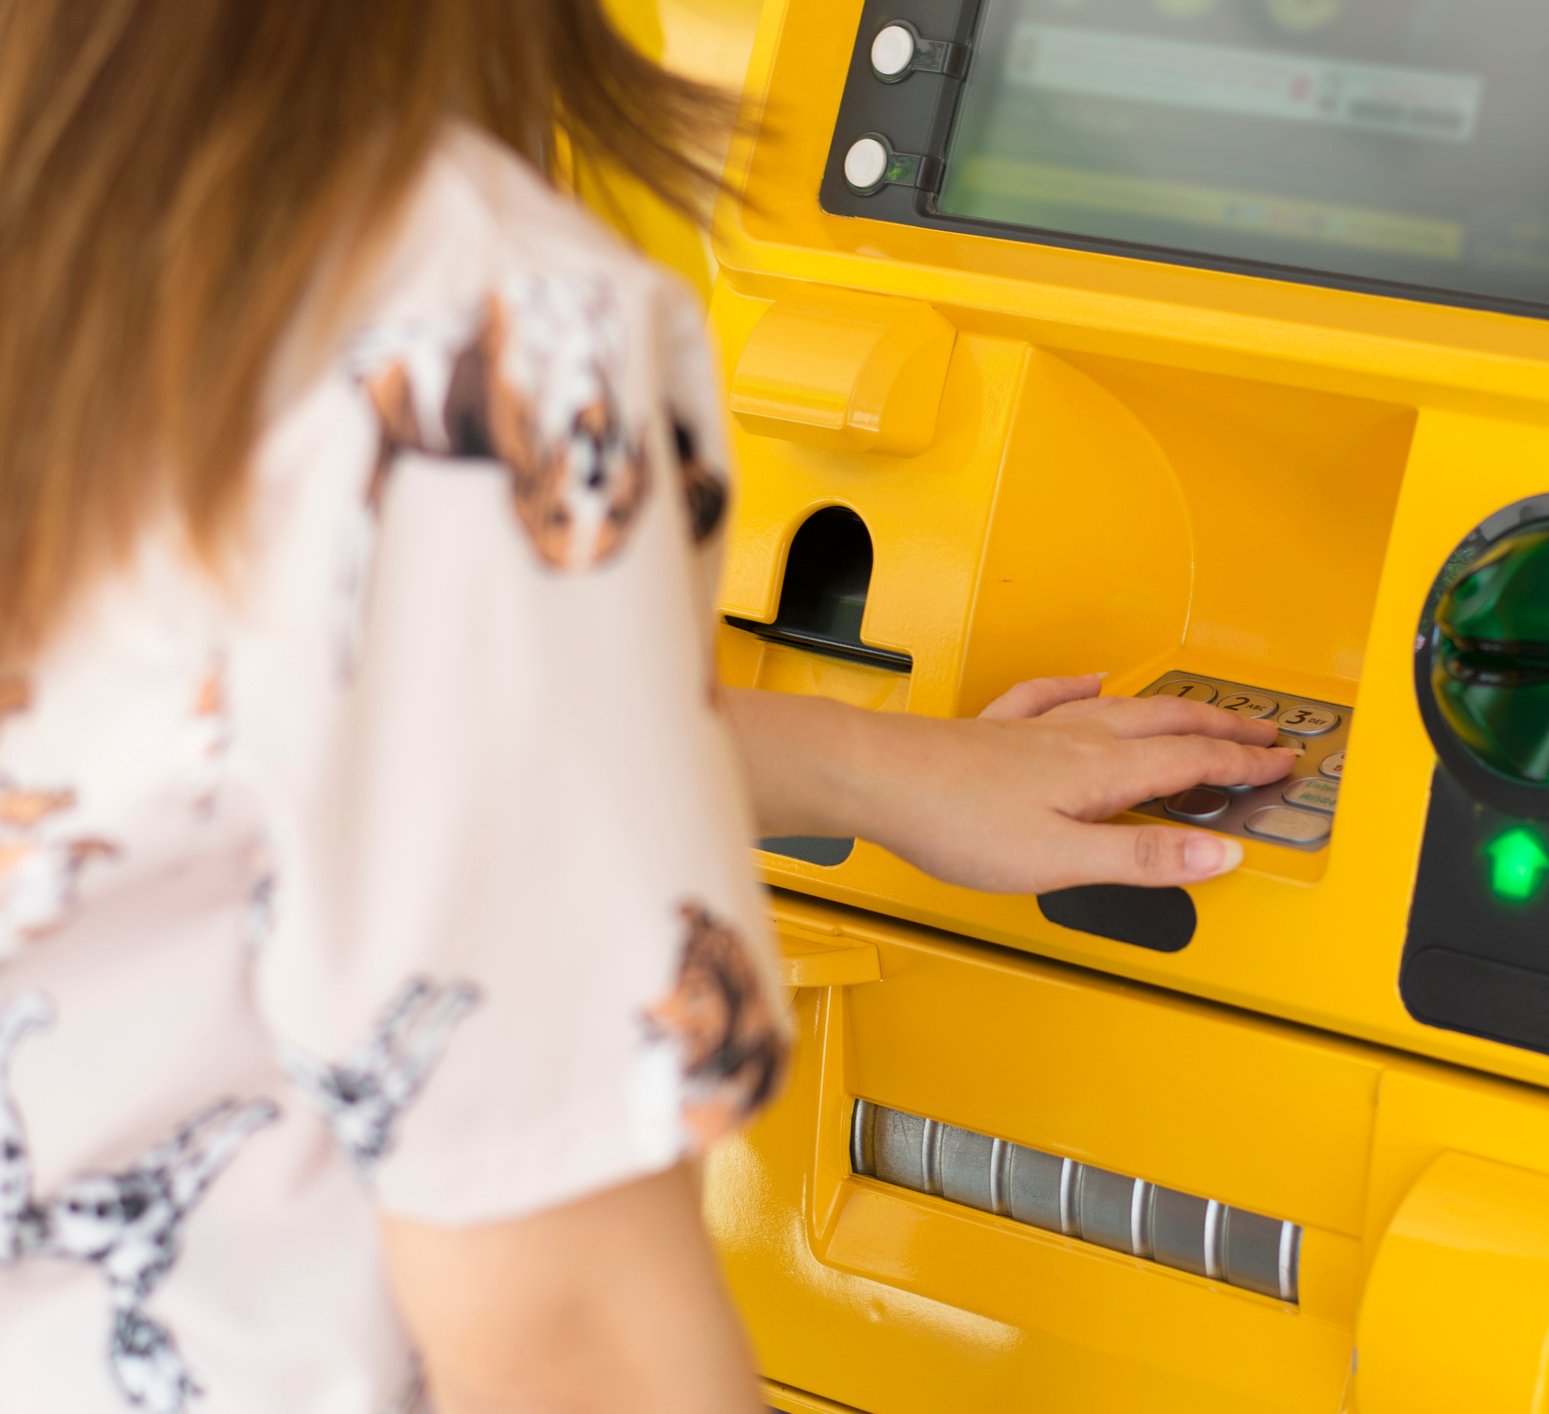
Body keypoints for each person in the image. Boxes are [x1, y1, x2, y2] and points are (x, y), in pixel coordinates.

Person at [0, 3, 1292, 1411]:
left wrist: (863, 766)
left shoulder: (86, 218)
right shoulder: (468, 334)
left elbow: (213, 741)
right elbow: (571, 1328)